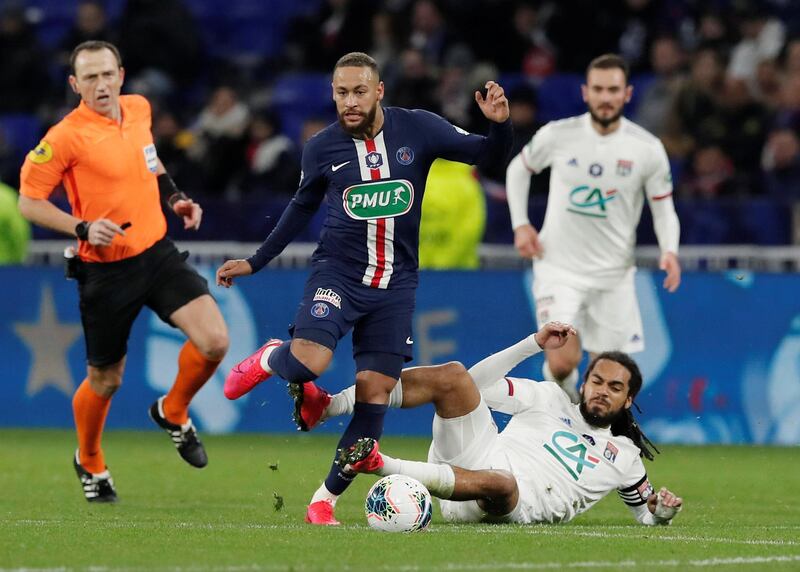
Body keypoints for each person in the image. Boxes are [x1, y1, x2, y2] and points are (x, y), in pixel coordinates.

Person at [215, 51, 512, 525]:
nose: (349, 101)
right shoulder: (321, 148)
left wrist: (499, 126)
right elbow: (299, 208)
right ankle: (273, 355)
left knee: (375, 394)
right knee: (310, 360)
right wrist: (256, 261)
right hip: (338, 274)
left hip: (395, 286)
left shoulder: (418, 129)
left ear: (379, 91)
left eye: (358, 91)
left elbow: (490, 158)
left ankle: (323, 502)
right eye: (340, 92)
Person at [17, 41, 229, 503]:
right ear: (75, 85)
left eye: (107, 74)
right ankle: (89, 460)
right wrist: (81, 227)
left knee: (215, 341)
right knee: (106, 380)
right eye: (89, 78)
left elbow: (149, 159)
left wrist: (175, 197)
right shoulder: (64, 137)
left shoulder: (138, 108)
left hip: (155, 252)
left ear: (122, 75)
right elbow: (28, 202)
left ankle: (174, 410)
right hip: (105, 270)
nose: (101, 85)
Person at [301, 322, 682, 526]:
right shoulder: (547, 397)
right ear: (584, 383)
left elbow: (645, 515)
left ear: (628, 400)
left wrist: (661, 512)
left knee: (502, 480)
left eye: (615, 388)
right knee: (452, 375)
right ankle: (331, 406)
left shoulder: (627, 457)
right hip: (475, 453)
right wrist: (533, 343)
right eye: (597, 381)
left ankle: (377, 463)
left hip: (508, 502)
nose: (602, 391)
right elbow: (477, 382)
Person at [505, 53, 681, 402]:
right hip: (559, 267)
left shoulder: (647, 148)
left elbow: (663, 208)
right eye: (598, 89)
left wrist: (670, 251)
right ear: (586, 92)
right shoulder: (559, 135)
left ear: (627, 94)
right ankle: (568, 401)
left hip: (614, 275)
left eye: (613, 89)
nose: (605, 97)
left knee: (608, 373)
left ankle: (589, 435)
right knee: (561, 360)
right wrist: (522, 224)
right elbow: (518, 170)